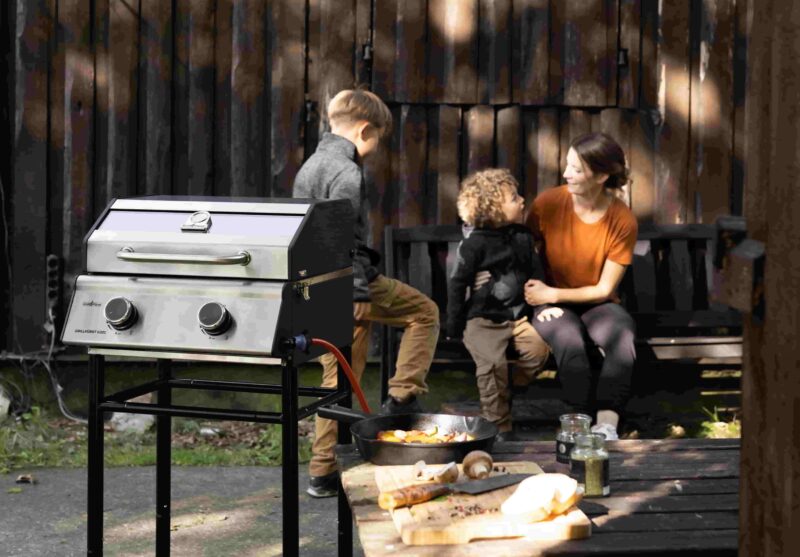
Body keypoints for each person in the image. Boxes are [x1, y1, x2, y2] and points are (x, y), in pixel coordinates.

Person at [293, 89, 440, 498]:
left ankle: (322, 472)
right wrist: (357, 291)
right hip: (348, 284)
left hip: (319, 286)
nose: (375, 149)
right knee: (424, 312)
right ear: (364, 130)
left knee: (338, 377)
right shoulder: (347, 172)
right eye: (377, 139)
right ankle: (402, 397)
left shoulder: (308, 168)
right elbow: (344, 239)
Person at [524, 132, 638, 441]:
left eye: (576, 169)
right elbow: (521, 250)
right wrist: (543, 301)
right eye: (567, 165)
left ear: (601, 175)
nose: (565, 174)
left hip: (597, 302)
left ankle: (607, 426)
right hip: (551, 304)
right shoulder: (547, 203)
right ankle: (577, 426)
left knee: (622, 336)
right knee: (569, 341)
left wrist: (552, 293)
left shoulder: (622, 219)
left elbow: (603, 289)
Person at [446, 169, 552, 441]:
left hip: (517, 319)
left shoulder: (523, 237)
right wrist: (454, 327)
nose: (522, 200)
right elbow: (458, 284)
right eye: (514, 197)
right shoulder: (474, 244)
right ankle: (500, 427)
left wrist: (542, 306)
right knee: (492, 365)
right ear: (492, 208)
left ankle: (499, 393)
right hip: (482, 320)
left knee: (538, 352)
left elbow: (536, 274)